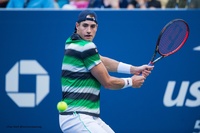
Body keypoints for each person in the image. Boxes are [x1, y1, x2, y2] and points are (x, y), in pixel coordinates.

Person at [59, 10, 154, 133]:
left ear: (97, 27)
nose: (89, 30)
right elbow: (108, 82)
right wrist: (131, 81)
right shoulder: (87, 47)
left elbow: (101, 60)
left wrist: (133, 69)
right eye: (85, 25)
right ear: (77, 26)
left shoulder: (71, 42)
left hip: (86, 116)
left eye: (92, 26)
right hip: (77, 116)